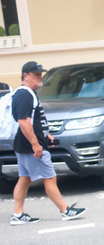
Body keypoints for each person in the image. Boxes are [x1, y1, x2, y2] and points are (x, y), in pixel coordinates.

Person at [10, 61, 87, 225]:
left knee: (24, 179)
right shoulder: (25, 94)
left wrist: (46, 135)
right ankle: (65, 210)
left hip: (23, 144)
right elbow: (24, 122)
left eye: (40, 74)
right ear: (25, 76)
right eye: (36, 74)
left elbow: (34, 120)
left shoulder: (26, 93)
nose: (40, 77)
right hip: (30, 146)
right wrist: (36, 145)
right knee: (50, 178)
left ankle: (18, 214)